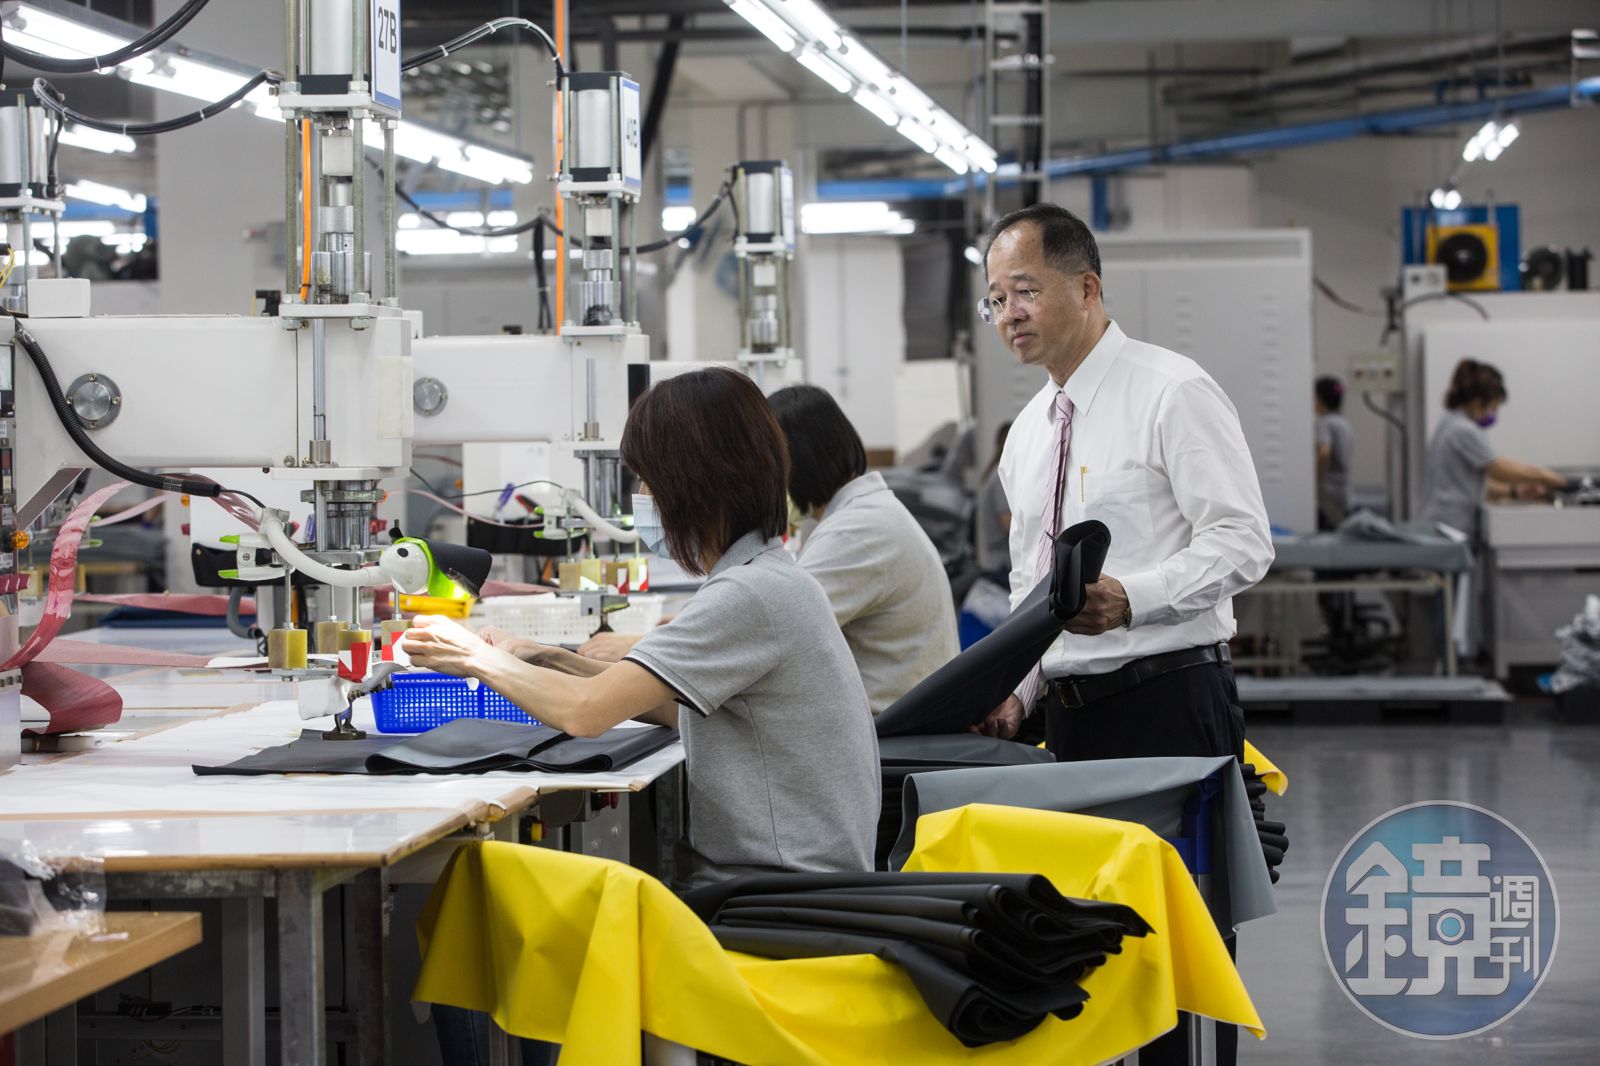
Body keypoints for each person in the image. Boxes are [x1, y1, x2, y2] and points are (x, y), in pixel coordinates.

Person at [971, 202, 1274, 1066]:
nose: (1009, 315)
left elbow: (1244, 541)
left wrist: (1133, 598)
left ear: (1087, 288)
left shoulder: (1171, 391)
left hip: (1167, 704)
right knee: (1092, 940)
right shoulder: (1029, 435)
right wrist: (1018, 689)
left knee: (1180, 946)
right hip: (1071, 722)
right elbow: (1033, 589)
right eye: (995, 300)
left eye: (1024, 291)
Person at [404, 367, 881, 886]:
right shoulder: (770, 575)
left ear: (692, 485)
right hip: (795, 881)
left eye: (649, 481)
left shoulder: (748, 594)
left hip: (771, 894)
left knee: (496, 884)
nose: (644, 496)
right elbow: (673, 707)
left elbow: (584, 713)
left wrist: (474, 656)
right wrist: (547, 657)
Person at [767, 384, 960, 714]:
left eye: (770, 466)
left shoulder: (855, 531)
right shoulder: (864, 514)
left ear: (798, 462)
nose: (767, 481)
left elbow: (774, 630)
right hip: (903, 719)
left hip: (889, 731)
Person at [1419, 358, 1567, 538]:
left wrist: (1515, 492)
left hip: (1443, 523)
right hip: (1449, 527)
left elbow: (1469, 483)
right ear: (1477, 402)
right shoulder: (1464, 429)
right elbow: (1497, 468)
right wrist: (1543, 476)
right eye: (1493, 408)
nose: (1493, 415)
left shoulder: (1450, 420)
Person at [1313, 376, 1354, 529]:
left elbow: (1324, 451)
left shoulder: (1325, 423)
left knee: (1330, 526)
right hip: (1343, 487)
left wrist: (1316, 476)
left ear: (1320, 400)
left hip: (1328, 488)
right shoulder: (1344, 423)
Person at [974, 421, 1013, 577]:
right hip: (1002, 564)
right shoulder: (1000, 478)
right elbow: (1008, 523)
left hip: (999, 562)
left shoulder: (998, 473)